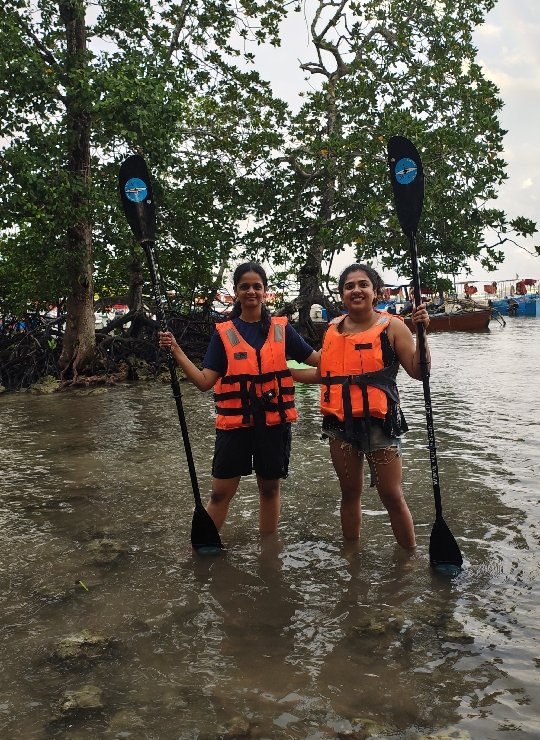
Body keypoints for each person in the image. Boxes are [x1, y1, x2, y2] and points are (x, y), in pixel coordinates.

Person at [159, 262, 319, 536]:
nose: (251, 292)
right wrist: (176, 350)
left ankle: (268, 551)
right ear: (235, 292)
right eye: (245, 287)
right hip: (235, 425)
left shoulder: (282, 330)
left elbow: (319, 365)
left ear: (265, 291)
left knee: (269, 489)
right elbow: (204, 382)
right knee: (220, 493)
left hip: (273, 423)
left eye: (257, 286)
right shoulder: (224, 333)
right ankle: (204, 548)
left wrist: (290, 371)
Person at [291, 263, 431, 550]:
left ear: (375, 292)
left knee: (391, 495)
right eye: (349, 286)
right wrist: (282, 373)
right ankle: (351, 556)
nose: (356, 290)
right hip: (339, 425)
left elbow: (420, 372)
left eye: (363, 284)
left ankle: (408, 559)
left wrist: (423, 333)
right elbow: (323, 374)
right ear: (342, 294)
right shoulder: (332, 329)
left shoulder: (393, 326)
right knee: (349, 492)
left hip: (380, 424)